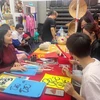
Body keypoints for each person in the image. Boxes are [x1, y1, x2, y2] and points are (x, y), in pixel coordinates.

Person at [63, 33, 100, 100]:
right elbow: (85, 80)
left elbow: (88, 80)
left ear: (71, 53)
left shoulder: (89, 77)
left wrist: (73, 93)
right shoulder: (95, 61)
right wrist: (71, 75)